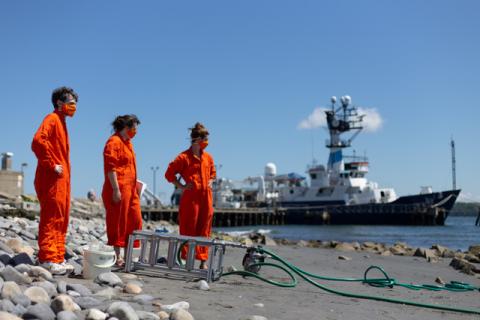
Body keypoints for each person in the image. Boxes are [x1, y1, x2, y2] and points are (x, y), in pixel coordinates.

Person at [31, 86, 78, 275]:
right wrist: (52, 164)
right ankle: (47, 258)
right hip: (51, 178)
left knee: (61, 217)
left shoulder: (61, 121)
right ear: (60, 102)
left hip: (61, 180)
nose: (74, 107)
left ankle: (57, 256)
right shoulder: (51, 119)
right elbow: (37, 141)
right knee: (51, 218)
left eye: (75, 104)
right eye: (71, 103)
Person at [165, 122, 216, 269]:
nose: (207, 142)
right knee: (189, 227)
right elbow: (168, 174)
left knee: (204, 228)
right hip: (191, 198)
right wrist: (181, 186)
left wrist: (211, 182)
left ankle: (203, 262)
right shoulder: (183, 157)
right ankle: (187, 260)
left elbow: (213, 173)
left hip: (206, 196)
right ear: (196, 140)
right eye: (205, 138)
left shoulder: (208, 157)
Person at [102, 115, 143, 267]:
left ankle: (128, 254)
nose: (136, 130)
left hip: (131, 189)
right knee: (118, 221)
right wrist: (115, 189)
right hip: (118, 187)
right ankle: (118, 256)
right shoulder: (114, 142)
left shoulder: (128, 143)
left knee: (135, 220)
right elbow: (111, 168)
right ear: (126, 127)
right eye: (134, 127)